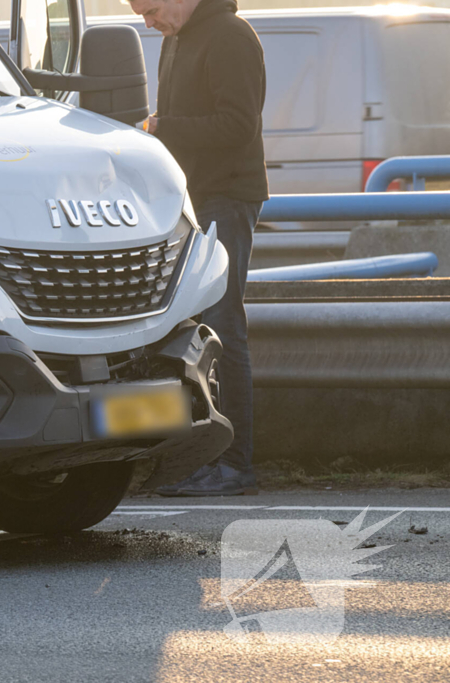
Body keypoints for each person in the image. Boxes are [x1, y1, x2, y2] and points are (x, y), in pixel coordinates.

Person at [128, 0, 268, 495]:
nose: (147, 22)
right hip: (192, 201)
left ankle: (235, 465)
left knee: (223, 325)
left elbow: (238, 125)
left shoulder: (229, 34)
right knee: (195, 328)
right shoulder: (176, 39)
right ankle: (207, 461)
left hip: (227, 198)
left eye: (150, 9)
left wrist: (162, 128)